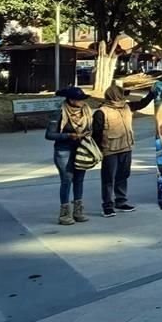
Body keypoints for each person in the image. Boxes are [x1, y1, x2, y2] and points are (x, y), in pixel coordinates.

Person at [92, 84, 154, 217]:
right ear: (115, 96)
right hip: (110, 150)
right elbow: (96, 133)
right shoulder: (101, 112)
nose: (124, 97)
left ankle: (121, 201)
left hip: (126, 148)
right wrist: (99, 150)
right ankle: (107, 205)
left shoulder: (127, 107)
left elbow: (142, 104)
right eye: (121, 94)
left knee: (123, 175)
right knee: (109, 178)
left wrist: (152, 93)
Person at [46, 86, 93, 225]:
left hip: (81, 149)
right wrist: (68, 135)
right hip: (63, 150)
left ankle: (78, 211)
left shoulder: (86, 111)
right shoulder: (59, 112)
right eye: (79, 100)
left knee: (79, 179)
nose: (82, 102)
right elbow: (49, 135)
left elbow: (90, 128)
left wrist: (88, 134)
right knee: (67, 180)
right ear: (71, 100)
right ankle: (64, 213)